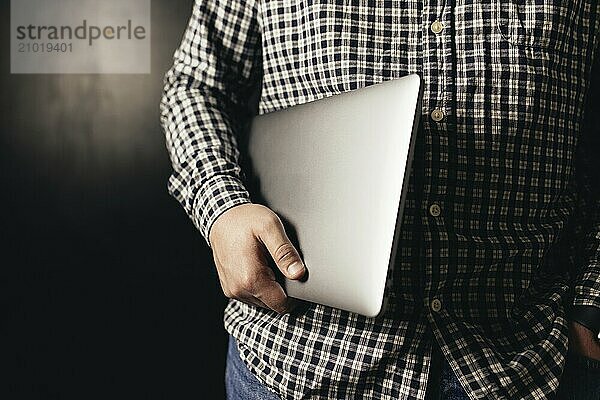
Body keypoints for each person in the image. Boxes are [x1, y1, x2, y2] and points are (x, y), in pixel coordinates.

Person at [160, 1, 600, 399]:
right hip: (299, 357)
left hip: (528, 360)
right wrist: (223, 208)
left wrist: (590, 303)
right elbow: (198, 84)